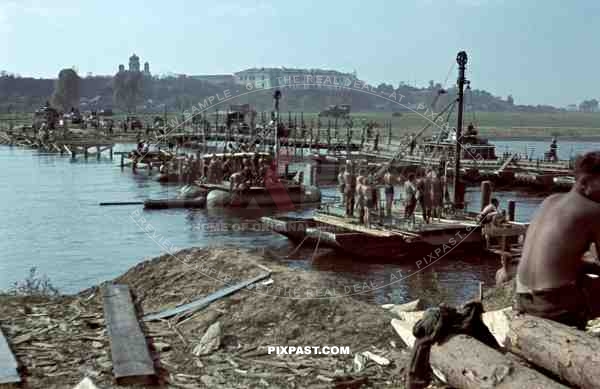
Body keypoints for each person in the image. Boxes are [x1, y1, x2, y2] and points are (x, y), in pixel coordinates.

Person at [515, 151, 600, 329]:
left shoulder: (550, 200)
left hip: (523, 298)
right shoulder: (594, 211)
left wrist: (588, 266)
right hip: (554, 307)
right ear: (585, 182)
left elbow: (555, 259)